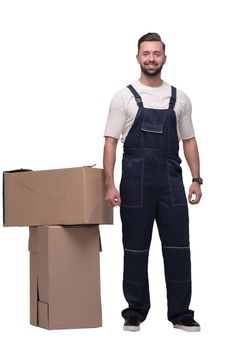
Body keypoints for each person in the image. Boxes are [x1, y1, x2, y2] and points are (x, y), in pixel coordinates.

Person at [103, 32, 202, 332]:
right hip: (135, 183)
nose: (151, 58)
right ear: (138, 58)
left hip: (171, 182)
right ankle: (134, 311)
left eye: (156, 53)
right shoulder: (123, 97)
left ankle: (181, 313)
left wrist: (196, 179)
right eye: (146, 53)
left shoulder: (180, 98)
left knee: (177, 248)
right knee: (135, 248)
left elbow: (190, 140)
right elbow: (110, 143)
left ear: (164, 57)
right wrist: (109, 183)